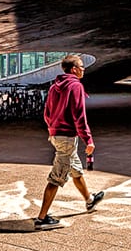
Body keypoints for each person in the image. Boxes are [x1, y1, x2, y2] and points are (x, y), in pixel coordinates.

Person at [34, 54, 103, 228]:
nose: (83, 69)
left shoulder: (54, 87)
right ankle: (42, 219)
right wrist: (88, 139)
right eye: (81, 66)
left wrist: (52, 129)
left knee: (75, 169)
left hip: (56, 135)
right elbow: (79, 115)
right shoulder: (75, 86)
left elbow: (46, 113)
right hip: (67, 137)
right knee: (56, 177)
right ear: (73, 69)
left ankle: (89, 200)